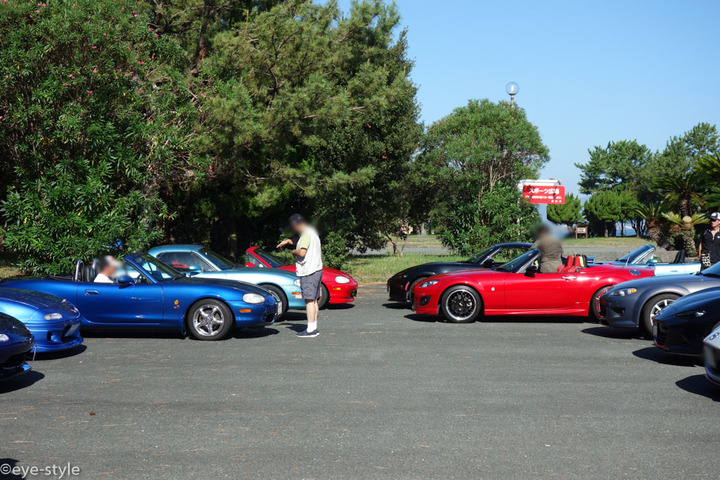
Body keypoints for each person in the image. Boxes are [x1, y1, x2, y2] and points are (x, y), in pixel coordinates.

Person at [276, 214, 323, 338]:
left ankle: (311, 329)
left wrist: (293, 252)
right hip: (316, 269)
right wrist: (288, 241)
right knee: (313, 300)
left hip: (309, 271)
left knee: (309, 301)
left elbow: (302, 252)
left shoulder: (306, 234)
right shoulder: (310, 231)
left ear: (296, 225)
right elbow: (300, 240)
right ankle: (314, 327)